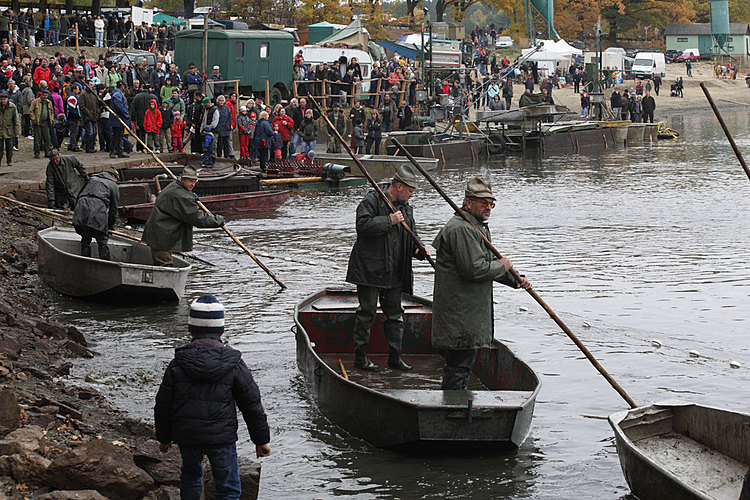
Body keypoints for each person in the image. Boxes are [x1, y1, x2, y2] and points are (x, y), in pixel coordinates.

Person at [155, 294, 271, 500]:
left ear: (191, 329)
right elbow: (251, 404)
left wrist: (164, 438)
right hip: (221, 438)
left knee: (191, 475)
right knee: (228, 488)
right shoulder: (234, 363)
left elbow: (163, 404)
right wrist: (261, 440)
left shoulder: (178, 363)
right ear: (221, 330)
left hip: (188, 436)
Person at [431, 178, 532, 390]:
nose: (488, 208)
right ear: (468, 203)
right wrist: (503, 266)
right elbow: (475, 269)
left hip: (468, 312)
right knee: (459, 366)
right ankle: (452, 410)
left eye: (491, 203)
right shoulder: (462, 229)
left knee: (463, 364)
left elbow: (488, 264)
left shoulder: (476, 227)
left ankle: (455, 406)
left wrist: (516, 280)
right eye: (483, 203)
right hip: (460, 314)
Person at [345, 165, 428, 371]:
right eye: (410, 191)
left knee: (395, 315)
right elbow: (362, 226)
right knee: (367, 313)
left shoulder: (406, 207)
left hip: (395, 271)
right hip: (370, 269)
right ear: (399, 186)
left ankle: (395, 358)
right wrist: (388, 220)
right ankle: (361, 358)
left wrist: (419, 251)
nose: (411, 195)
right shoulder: (372, 200)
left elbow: (409, 237)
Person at [142, 166, 225, 266]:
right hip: (161, 236)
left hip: (160, 232)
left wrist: (190, 195)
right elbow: (197, 219)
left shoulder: (176, 186)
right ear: (183, 179)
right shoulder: (180, 195)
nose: (193, 185)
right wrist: (217, 221)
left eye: (195, 181)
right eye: (190, 181)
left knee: (163, 262)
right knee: (165, 265)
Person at [72, 167, 120, 260]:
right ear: (113, 176)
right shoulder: (113, 185)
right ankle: (106, 265)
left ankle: (85, 263)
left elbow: (79, 196)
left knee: (85, 239)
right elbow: (113, 210)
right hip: (97, 210)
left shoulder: (92, 179)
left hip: (81, 208)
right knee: (102, 242)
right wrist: (109, 226)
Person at [0, 89, 20, 166]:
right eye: (1, 99)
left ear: (7, 99)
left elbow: (16, 120)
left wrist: (16, 132)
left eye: (4, 99)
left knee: (9, 147)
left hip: (9, 130)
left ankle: (9, 160)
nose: (3, 101)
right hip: (0, 129)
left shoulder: (12, 107)